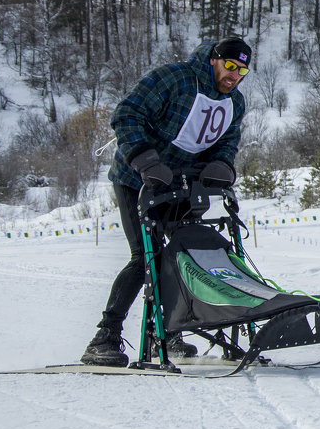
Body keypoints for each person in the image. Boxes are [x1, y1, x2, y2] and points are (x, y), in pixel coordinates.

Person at [80, 37, 251, 367]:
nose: (234, 75)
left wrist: (223, 164)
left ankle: (169, 331)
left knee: (187, 253)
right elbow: (127, 113)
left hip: (183, 184)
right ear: (214, 61)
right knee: (146, 257)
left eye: (242, 71)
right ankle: (105, 336)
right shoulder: (175, 78)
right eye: (230, 66)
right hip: (138, 180)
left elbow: (228, 140)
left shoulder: (235, 103)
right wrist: (144, 159)